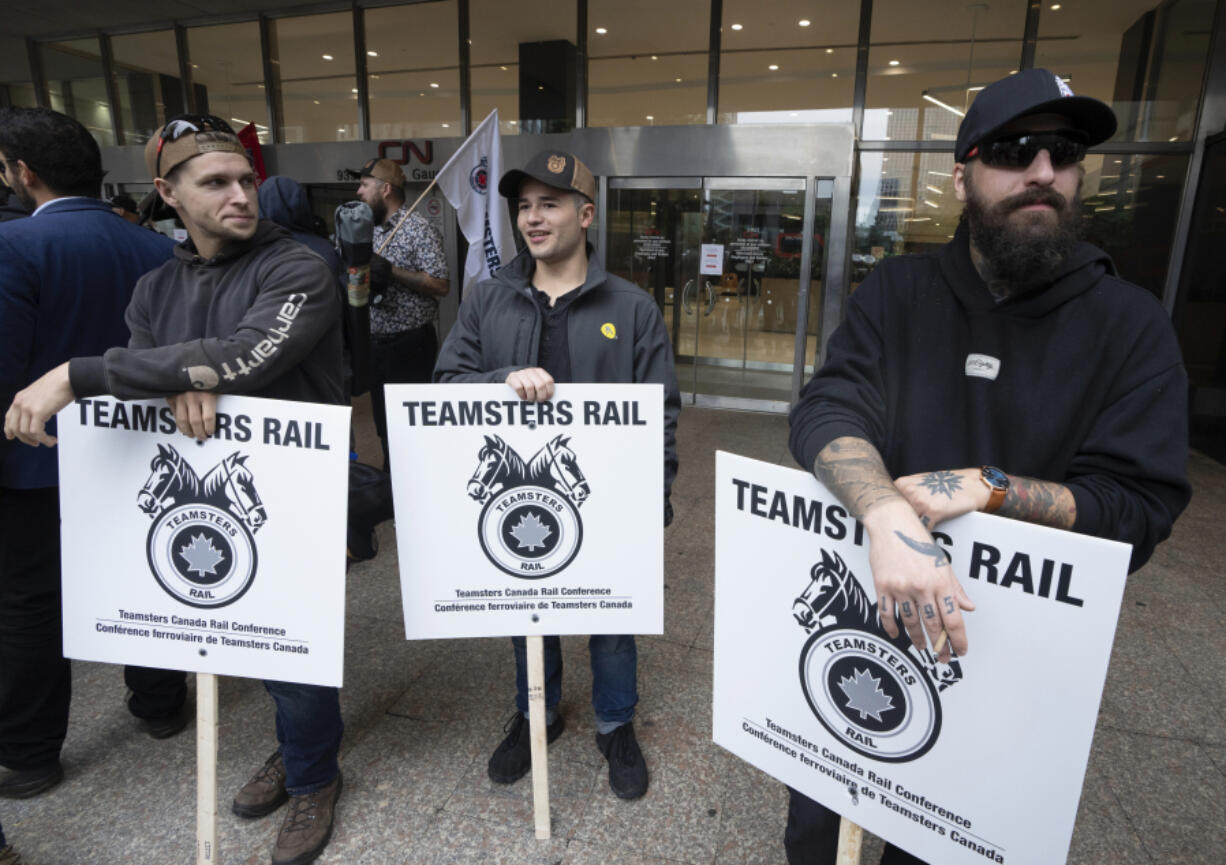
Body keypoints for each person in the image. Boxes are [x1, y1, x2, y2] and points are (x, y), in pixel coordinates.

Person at [783, 69, 1191, 865]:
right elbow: (828, 409)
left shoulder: (1133, 327)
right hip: (865, 618)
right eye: (1014, 149)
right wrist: (888, 512)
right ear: (964, 174)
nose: (1042, 170)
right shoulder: (898, 291)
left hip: (1005, 662)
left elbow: (1137, 508)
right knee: (820, 824)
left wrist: (991, 485)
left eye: (1063, 152)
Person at [3, 115, 346, 865]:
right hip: (199, 494)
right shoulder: (155, 282)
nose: (239, 195)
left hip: (289, 497)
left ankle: (315, 772)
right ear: (167, 193)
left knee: (293, 649)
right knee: (235, 633)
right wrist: (185, 382)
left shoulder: (298, 268)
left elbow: (244, 355)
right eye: (215, 183)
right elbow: (154, 366)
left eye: (246, 180)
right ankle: (294, 750)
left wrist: (76, 372)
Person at [434, 149, 681, 800]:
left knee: (612, 618)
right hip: (520, 496)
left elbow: (662, 412)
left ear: (586, 213)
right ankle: (535, 711)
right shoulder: (488, 300)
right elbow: (445, 383)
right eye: (522, 206)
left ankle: (614, 722)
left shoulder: (631, 308)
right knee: (528, 608)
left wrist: (653, 500)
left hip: (606, 501)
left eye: (550, 203)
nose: (532, 218)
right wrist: (499, 381)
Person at [0, 107, 186, 802]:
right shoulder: (155, 248)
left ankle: (29, 751)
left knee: (30, 602)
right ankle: (160, 703)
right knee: (146, 574)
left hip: (35, 460)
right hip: (141, 452)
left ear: (24, 172)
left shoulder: (14, 247)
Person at [352, 157, 448, 469]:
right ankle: (392, 490)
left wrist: (392, 271)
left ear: (386, 189)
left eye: (365, 185)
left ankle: (418, 491)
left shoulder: (419, 229)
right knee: (383, 426)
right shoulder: (364, 230)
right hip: (374, 344)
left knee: (410, 426)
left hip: (410, 346)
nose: (358, 191)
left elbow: (441, 284)